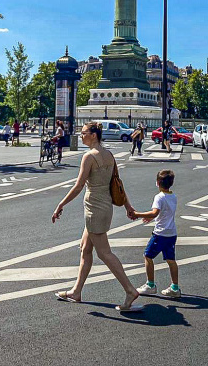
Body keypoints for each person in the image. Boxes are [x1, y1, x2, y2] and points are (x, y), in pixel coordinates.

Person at [51, 122, 141, 311]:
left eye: (83, 133)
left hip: (94, 210)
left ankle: (130, 290)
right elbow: (117, 183)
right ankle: (76, 292)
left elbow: (78, 186)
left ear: (93, 135)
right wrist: (128, 207)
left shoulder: (89, 157)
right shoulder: (109, 154)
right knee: (85, 248)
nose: (81, 136)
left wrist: (61, 204)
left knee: (104, 253)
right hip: (104, 207)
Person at [130, 169, 181, 298]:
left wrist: (137, 214)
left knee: (148, 256)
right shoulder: (173, 196)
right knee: (171, 260)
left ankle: (150, 285)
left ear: (158, 182)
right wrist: (152, 217)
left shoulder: (159, 197)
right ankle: (175, 287)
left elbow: (155, 212)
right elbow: (164, 212)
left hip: (160, 234)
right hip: (171, 233)